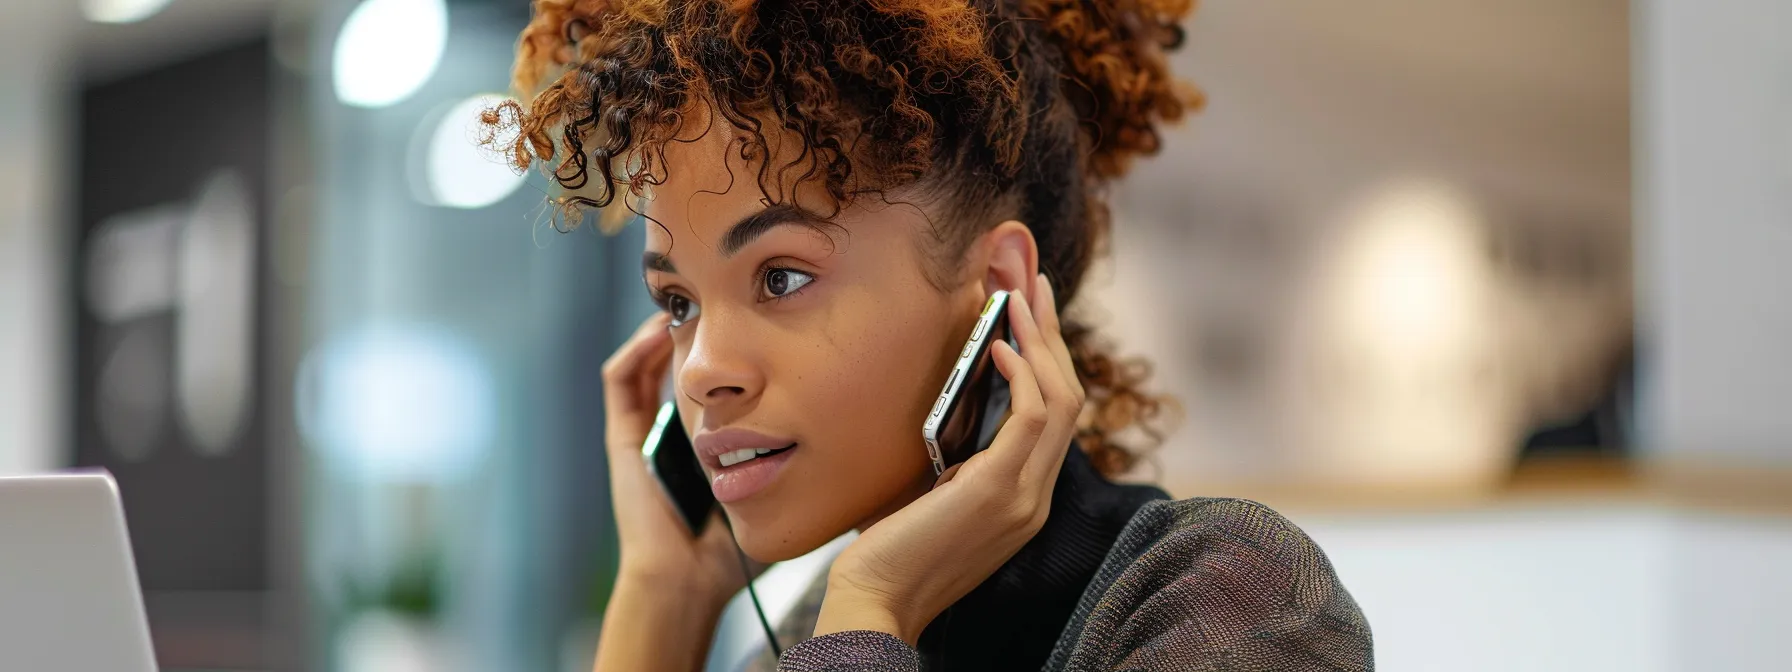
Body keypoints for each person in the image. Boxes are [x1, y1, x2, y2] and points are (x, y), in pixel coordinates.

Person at [488, 1, 1373, 669]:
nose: (704, 371)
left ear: (998, 290)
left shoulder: (1230, 597)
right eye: (678, 304)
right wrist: (662, 600)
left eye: (781, 277)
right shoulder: (815, 637)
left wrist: (874, 607)